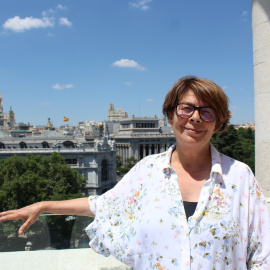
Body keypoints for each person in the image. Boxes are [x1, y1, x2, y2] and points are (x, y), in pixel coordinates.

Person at [0, 75, 269, 269]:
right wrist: (45, 205)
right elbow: (102, 205)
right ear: (170, 117)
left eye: (207, 112)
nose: (195, 118)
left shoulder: (240, 177)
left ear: (219, 122)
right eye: (186, 108)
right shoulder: (147, 171)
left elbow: (262, 253)